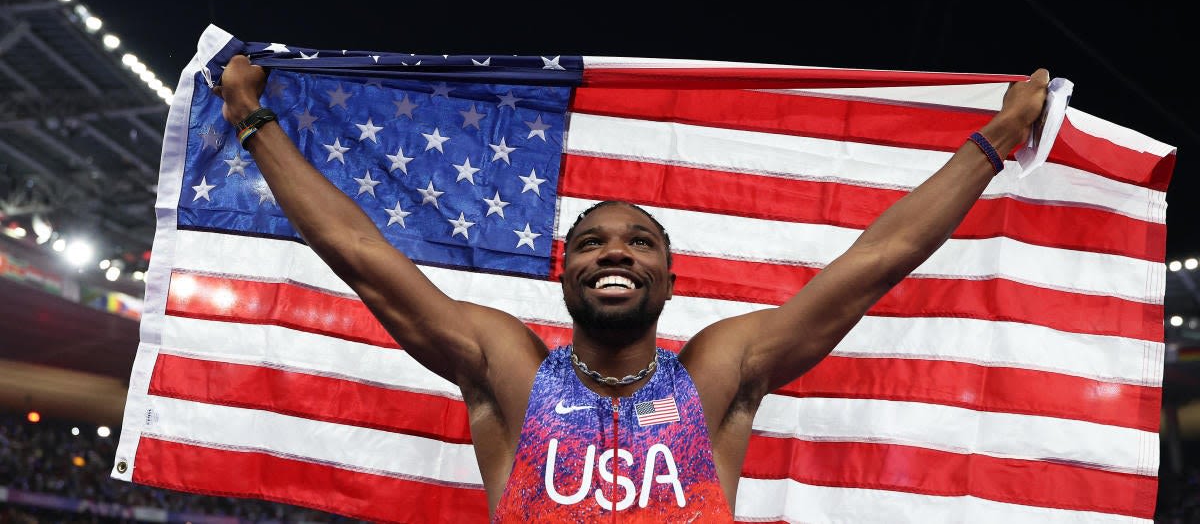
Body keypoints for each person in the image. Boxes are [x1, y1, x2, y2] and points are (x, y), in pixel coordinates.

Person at [215, 55, 1049, 521]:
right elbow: (359, 251)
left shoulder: (720, 371)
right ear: (565, 271)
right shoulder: (508, 370)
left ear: (670, 277)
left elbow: (877, 260)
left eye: (639, 241)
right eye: (591, 242)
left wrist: (996, 140)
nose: (615, 252)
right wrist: (254, 123)